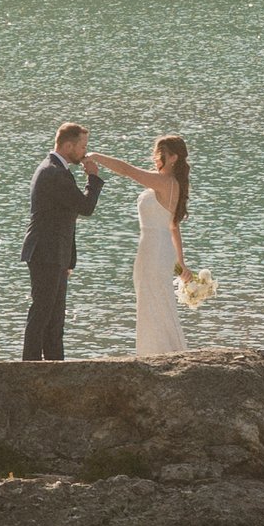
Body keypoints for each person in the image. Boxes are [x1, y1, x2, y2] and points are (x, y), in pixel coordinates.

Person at [86, 135, 192, 359]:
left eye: (160, 154)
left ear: (173, 158)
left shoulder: (164, 181)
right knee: (158, 298)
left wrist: (97, 157)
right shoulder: (174, 185)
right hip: (159, 248)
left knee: (153, 299)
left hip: (153, 249)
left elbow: (127, 170)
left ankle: (155, 353)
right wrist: (181, 263)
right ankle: (164, 351)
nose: (156, 158)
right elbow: (174, 227)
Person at [21, 124, 104, 361]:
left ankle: (55, 367)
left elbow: (65, 218)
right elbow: (85, 207)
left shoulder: (57, 170)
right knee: (43, 314)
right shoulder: (54, 172)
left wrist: (68, 260)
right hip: (45, 253)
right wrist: (93, 178)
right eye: (82, 147)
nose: (85, 152)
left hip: (54, 253)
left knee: (55, 319)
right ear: (68, 146)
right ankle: (30, 368)